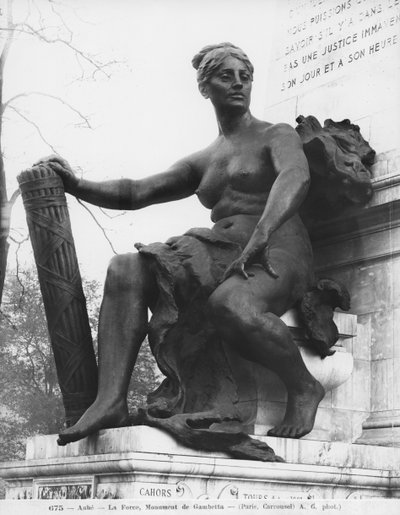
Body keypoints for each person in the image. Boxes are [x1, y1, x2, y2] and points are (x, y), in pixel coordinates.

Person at [40, 43, 324, 445]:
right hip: (219, 247)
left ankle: (304, 386)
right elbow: (137, 191)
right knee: (126, 266)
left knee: (231, 305)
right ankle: (110, 400)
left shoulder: (274, 135)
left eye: (245, 77)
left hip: (278, 247)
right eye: (226, 77)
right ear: (205, 88)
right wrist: (75, 184)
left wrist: (261, 234)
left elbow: (295, 176)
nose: (239, 84)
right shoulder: (205, 159)